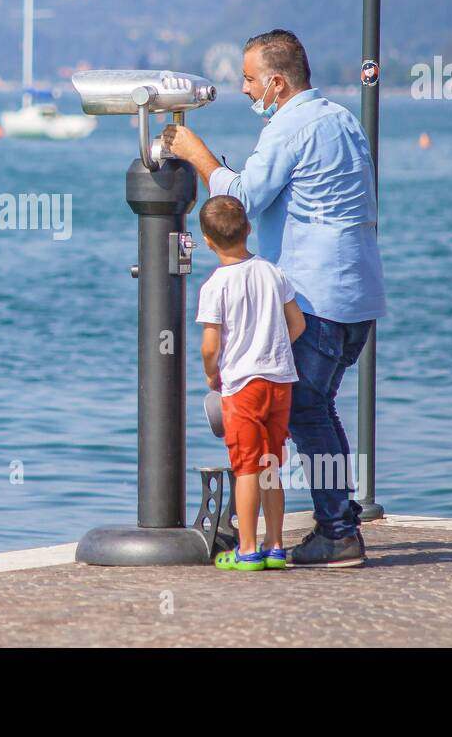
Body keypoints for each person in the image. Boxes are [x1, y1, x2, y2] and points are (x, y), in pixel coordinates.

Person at [165, 29, 385, 568]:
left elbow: (240, 198)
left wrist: (197, 156)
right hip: (357, 293)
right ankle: (339, 519)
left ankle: (335, 531)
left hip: (317, 295)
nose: (244, 90)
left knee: (308, 410)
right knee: (317, 408)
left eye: (249, 79)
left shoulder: (290, 127)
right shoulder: (342, 120)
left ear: (277, 83)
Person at [196, 195, 305, 573]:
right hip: (279, 382)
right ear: (248, 230)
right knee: (271, 464)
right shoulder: (273, 272)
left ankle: (246, 550)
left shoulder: (215, 285)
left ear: (208, 241)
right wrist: (271, 349)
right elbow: (297, 325)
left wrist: (214, 373)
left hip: (242, 386)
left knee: (245, 467)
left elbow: (211, 347)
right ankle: (275, 547)